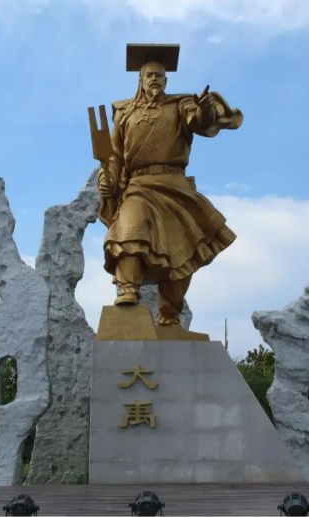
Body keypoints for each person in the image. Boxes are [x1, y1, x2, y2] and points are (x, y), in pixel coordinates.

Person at [98, 45, 243, 327]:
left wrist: (204, 110)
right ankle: (128, 289)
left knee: (182, 252)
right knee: (128, 229)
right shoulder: (124, 113)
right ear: (140, 80)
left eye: (160, 76)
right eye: (149, 75)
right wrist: (110, 178)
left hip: (174, 185)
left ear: (166, 81)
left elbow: (200, 122)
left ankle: (169, 313)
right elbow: (115, 156)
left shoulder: (180, 105)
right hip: (138, 186)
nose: (155, 79)